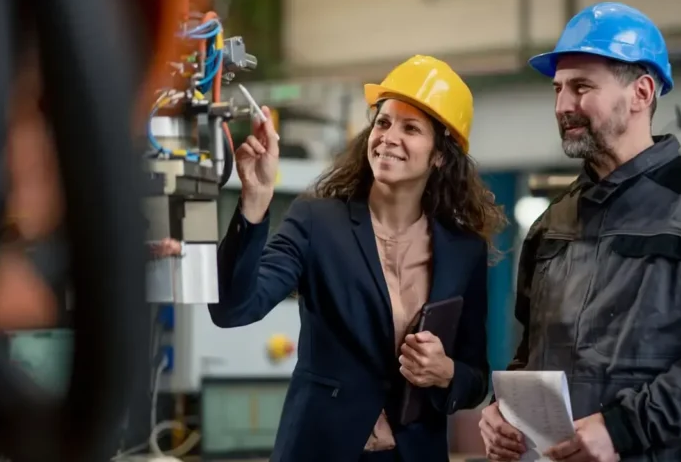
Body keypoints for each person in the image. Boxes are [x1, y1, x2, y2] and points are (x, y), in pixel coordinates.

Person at [479, 2, 681, 462]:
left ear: (642, 92)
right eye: (558, 89)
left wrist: (625, 428)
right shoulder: (554, 221)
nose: (563, 105)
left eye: (582, 87)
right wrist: (504, 410)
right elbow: (531, 356)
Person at [212, 55, 506, 462]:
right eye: (383, 122)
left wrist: (447, 372)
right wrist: (254, 203)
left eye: (411, 128)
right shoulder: (316, 221)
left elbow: (476, 378)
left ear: (440, 154)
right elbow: (233, 309)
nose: (388, 136)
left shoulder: (463, 250)